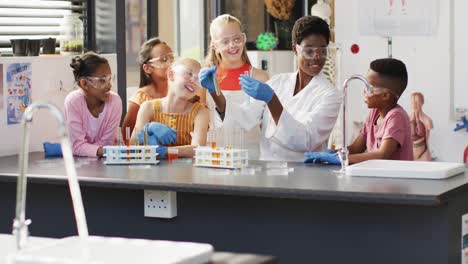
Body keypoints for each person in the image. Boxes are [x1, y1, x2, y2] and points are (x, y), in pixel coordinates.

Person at [200, 16, 341, 162]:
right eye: (309, 51)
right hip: (267, 172)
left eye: (322, 51)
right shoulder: (278, 82)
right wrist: (214, 91)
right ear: (295, 49)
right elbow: (243, 120)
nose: (317, 57)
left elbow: (305, 140)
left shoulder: (330, 95)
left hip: (304, 177)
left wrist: (272, 99)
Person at [305, 58, 413, 164]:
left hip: (396, 180)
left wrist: (341, 159)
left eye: (369, 88)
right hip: (379, 178)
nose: (364, 91)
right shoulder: (374, 113)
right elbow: (356, 148)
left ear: (385, 95)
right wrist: (333, 153)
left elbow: (382, 154)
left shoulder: (396, 117)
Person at [200, 14, 269, 159]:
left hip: (251, 157)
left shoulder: (260, 78)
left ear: (243, 39)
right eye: (225, 41)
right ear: (214, 45)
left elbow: (259, 124)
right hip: (215, 156)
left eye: (237, 39)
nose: (232, 45)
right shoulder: (206, 80)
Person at [131, 58, 209, 158]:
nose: (194, 80)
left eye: (198, 78)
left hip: (187, 172)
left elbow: (198, 149)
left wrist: (165, 151)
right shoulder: (148, 107)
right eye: (189, 74)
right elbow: (133, 145)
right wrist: (147, 129)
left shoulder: (200, 112)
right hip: (153, 172)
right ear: (171, 75)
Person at [64, 52, 122, 157]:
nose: (109, 86)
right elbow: (77, 146)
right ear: (84, 84)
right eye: (102, 80)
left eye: (109, 79)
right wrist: (101, 150)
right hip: (82, 166)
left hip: (108, 162)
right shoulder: (73, 102)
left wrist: (87, 149)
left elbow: (107, 143)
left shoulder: (115, 102)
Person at [121, 37, 174, 139]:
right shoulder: (141, 98)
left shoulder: (182, 93)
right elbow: (126, 137)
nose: (171, 63)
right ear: (147, 68)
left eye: (172, 59)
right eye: (164, 60)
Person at [410, 92, 433, 161]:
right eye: (412, 102)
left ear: (422, 102)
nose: (414, 105)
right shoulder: (407, 119)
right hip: (410, 154)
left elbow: (427, 140)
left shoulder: (427, 120)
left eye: (417, 102)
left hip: (423, 154)